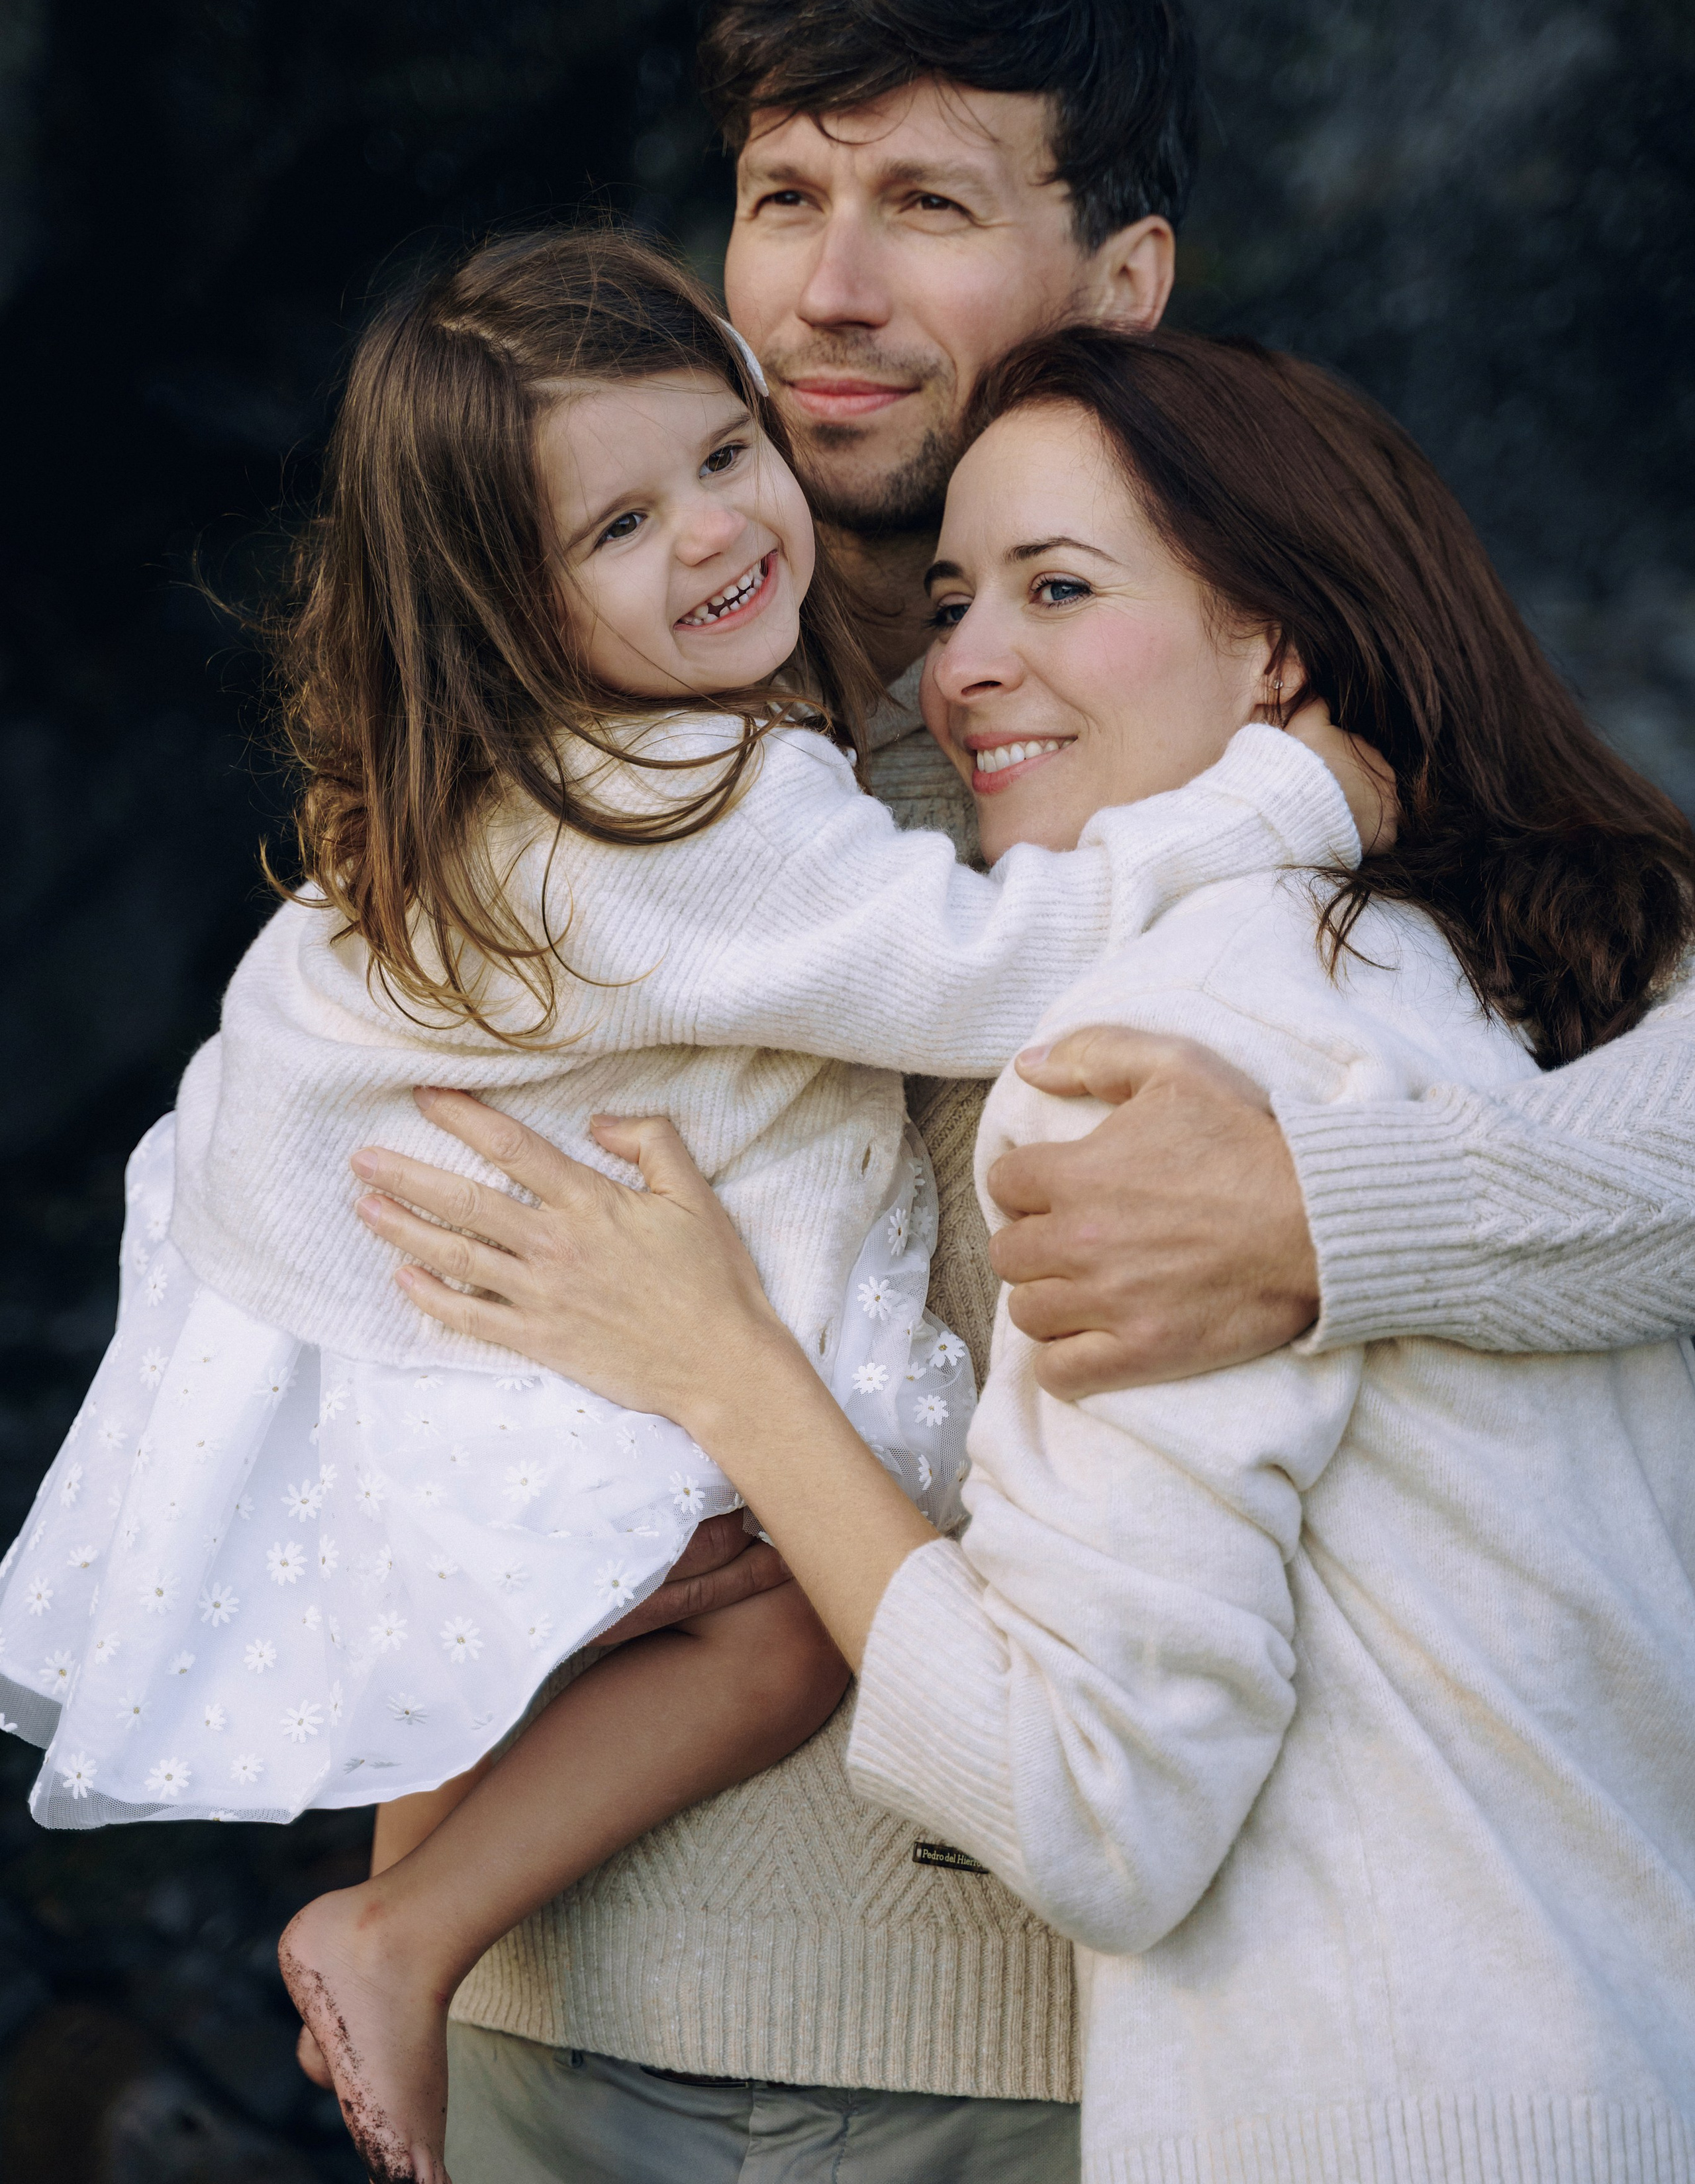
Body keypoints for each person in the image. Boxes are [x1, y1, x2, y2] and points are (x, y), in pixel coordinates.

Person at [0, 226, 1378, 2184]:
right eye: (621, 525)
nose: (722, 532)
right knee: (790, 1632)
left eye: (727, 457)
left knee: (527, 1643)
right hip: (436, 1304)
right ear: (507, 603)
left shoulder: (518, 778)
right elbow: (990, 967)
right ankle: (396, 1932)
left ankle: (404, 1929)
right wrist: (1288, 800)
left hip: (332, 1287)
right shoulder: (683, 812)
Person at [353, 324, 1695, 2184]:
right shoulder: (1571, 1008)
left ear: (1282, 647)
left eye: (1061, 590)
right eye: (959, 597)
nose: (967, 666)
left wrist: (724, 1363)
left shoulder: (1140, 1059)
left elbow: (1087, 1808)